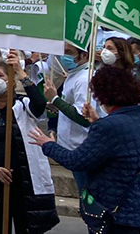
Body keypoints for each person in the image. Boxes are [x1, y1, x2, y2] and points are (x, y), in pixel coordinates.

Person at [31, 66, 140, 234]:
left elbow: (77, 160)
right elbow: (123, 145)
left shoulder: (109, 126)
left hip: (118, 214)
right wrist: (97, 122)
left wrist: (48, 144)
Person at [0, 53, 58, 234]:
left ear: (11, 80)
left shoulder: (22, 105)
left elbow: (39, 104)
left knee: (25, 226)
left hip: (22, 182)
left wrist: (20, 72)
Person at [43, 43, 93, 190]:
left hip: (81, 147)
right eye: (63, 51)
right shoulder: (74, 74)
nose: (64, 56)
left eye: (69, 52)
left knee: (87, 196)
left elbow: (84, 118)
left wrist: (55, 99)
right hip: (72, 148)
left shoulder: (84, 80)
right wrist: (58, 106)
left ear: (84, 55)